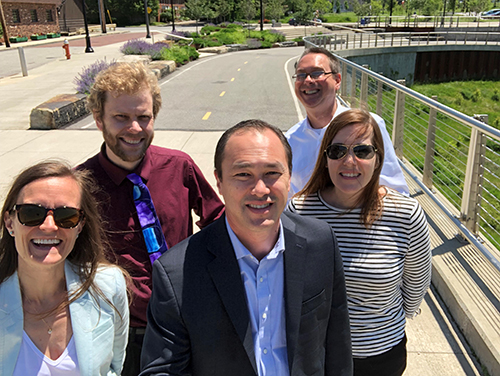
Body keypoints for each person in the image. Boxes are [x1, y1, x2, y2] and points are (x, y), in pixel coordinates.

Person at [140, 120, 352, 376]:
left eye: (272, 173)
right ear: (218, 181)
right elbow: (162, 370)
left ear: (289, 176)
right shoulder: (177, 273)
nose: (260, 189)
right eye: (243, 174)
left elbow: (337, 346)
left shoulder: (321, 243)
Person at [77, 62, 224, 376]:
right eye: (121, 117)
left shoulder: (179, 167)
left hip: (185, 326)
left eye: (143, 117)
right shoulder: (80, 185)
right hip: (118, 334)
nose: (134, 128)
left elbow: (218, 220)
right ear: (97, 118)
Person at [287, 109, 432, 376]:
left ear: (378, 159)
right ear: (325, 158)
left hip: (381, 355)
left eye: (363, 151)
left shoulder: (405, 215)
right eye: (337, 151)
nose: (349, 161)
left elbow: (415, 286)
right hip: (319, 354)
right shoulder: (300, 211)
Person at [0, 160, 129, 376]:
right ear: (10, 222)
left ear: (79, 226)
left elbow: (113, 369)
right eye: (31, 213)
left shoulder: (109, 285)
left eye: (66, 216)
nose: (49, 226)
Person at [286, 46, 409, 197]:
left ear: (337, 80)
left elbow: (398, 191)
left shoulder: (369, 127)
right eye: (301, 75)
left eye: (317, 73)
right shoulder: (290, 141)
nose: (308, 80)